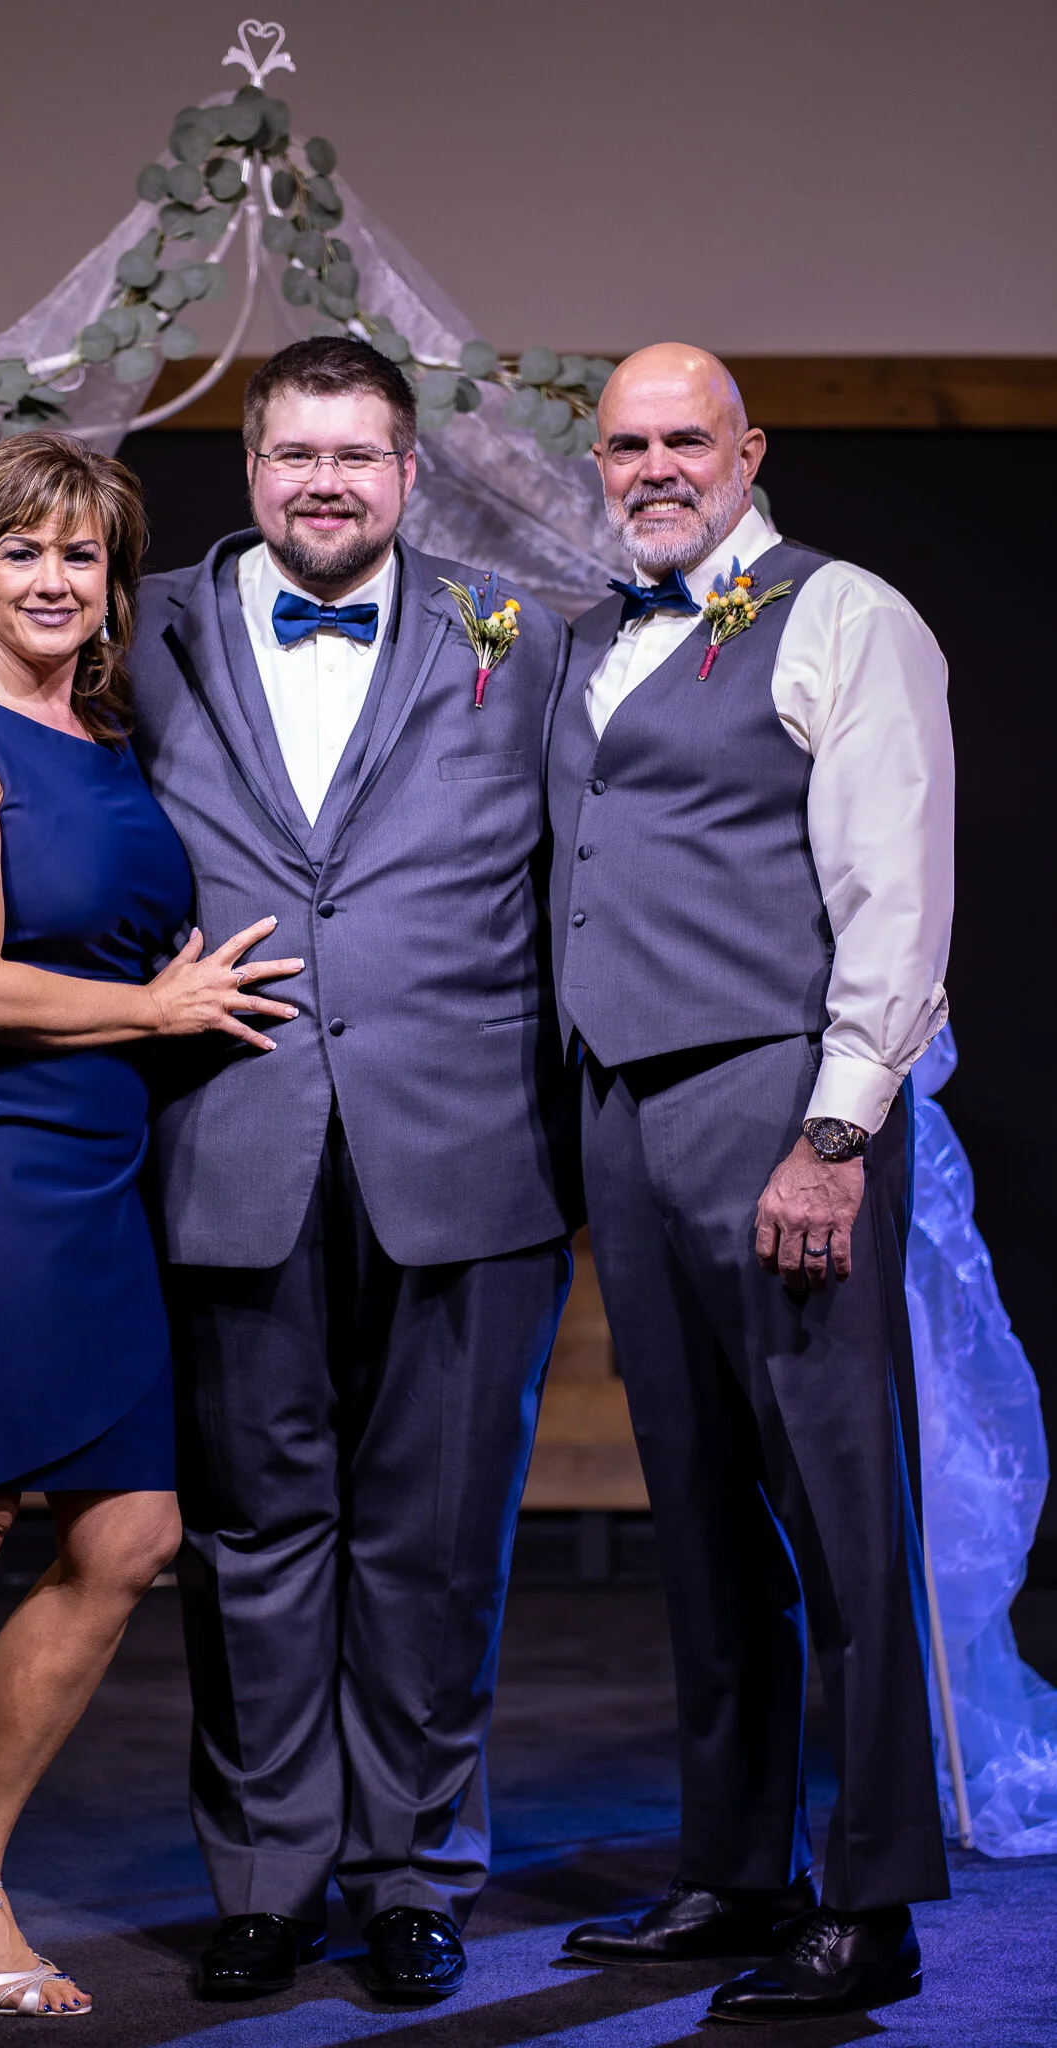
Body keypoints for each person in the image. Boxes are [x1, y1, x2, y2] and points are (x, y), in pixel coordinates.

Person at [0, 339, 576, 2005]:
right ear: (250, 471)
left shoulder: (524, 636)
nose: (325, 481)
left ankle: (414, 1876)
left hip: (464, 1153)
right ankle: (263, 1881)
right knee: (245, 1539)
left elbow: (607, 855)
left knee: (431, 1543)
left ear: (409, 474)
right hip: (216, 1142)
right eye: (293, 455)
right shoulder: (148, 632)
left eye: (357, 454)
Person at [0, 432, 301, 2017]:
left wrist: (152, 990)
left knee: (129, 1537)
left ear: (114, 584)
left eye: (80, 555)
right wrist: (159, 1005)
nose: (52, 580)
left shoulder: (107, 732)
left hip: (100, 1168)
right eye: (21, 552)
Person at [547, 343, 953, 2023]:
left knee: (841, 1511)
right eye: (626, 444)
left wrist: (836, 1133)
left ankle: (875, 1897)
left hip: (778, 1109)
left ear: (749, 449)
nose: (655, 467)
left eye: (685, 440)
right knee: (703, 1510)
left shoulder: (846, 614)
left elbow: (896, 894)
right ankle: (734, 1869)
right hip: (622, 1113)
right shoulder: (577, 640)